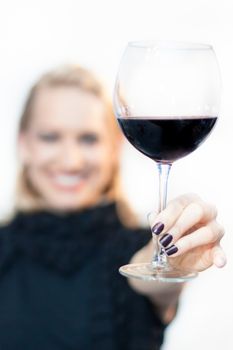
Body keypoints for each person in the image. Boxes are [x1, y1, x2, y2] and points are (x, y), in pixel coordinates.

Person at [0, 66, 226, 350]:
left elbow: (154, 280)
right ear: (24, 145)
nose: (71, 160)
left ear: (115, 148)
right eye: (50, 137)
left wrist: (173, 257)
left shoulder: (137, 250)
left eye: (89, 139)